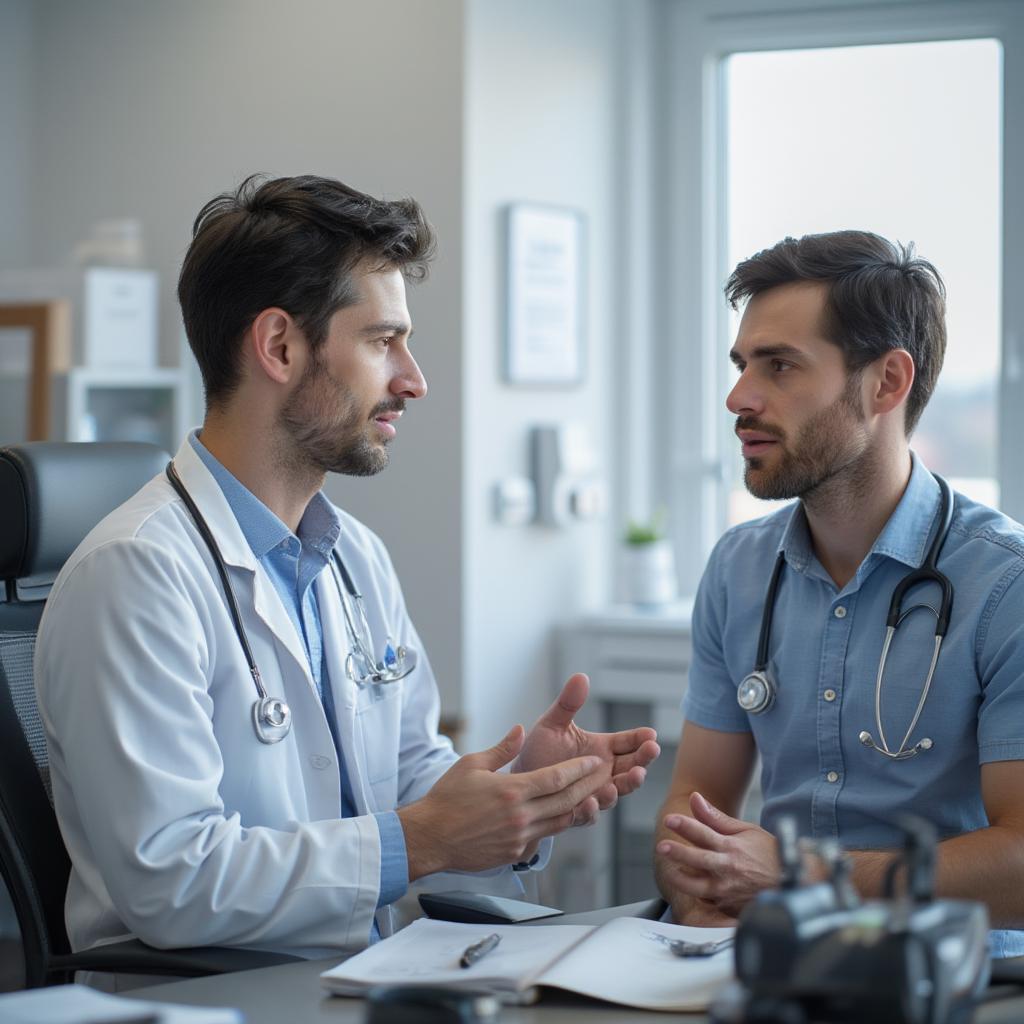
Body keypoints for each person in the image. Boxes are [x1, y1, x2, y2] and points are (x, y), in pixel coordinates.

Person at [35, 174, 659, 959]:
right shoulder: (133, 575)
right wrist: (420, 839)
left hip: (352, 979)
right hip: (203, 1000)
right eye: (381, 340)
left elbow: (405, 777)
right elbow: (173, 883)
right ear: (281, 346)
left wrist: (515, 799)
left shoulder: (353, 557)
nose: (413, 379)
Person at [653, 230, 1024, 957]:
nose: (739, 397)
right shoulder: (738, 569)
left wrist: (801, 875)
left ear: (887, 382)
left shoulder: (1004, 584)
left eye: (780, 366)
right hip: (768, 963)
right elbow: (691, 814)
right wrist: (697, 900)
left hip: (956, 977)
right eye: (740, 365)